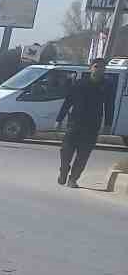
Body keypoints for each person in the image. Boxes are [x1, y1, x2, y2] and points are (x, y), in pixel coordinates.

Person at [55, 57, 116, 188]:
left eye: (102, 68)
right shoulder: (79, 84)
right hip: (75, 123)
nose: (99, 69)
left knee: (83, 155)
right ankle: (64, 170)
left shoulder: (107, 86)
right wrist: (59, 119)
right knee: (65, 150)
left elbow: (110, 105)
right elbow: (68, 102)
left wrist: (108, 124)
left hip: (92, 125)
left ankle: (73, 179)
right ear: (90, 68)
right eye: (96, 66)